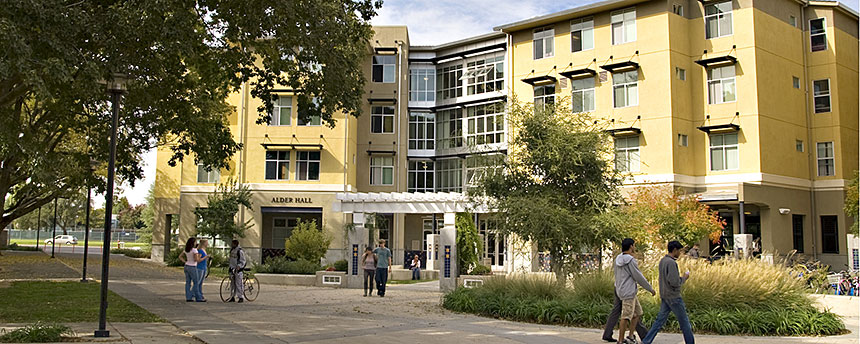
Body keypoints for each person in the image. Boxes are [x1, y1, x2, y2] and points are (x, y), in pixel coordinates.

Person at [642, 241, 694, 344]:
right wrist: (684, 278)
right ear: (674, 250)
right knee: (684, 322)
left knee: (659, 321)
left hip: (665, 295)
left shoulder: (663, 261)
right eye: (679, 251)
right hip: (673, 296)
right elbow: (674, 282)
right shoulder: (671, 263)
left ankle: (646, 341)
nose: (679, 253)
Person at [614, 238, 655, 344]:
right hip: (628, 291)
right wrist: (650, 288)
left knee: (637, 313)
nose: (635, 247)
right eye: (634, 245)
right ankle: (620, 340)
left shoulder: (618, 258)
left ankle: (631, 336)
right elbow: (638, 276)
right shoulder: (630, 260)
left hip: (622, 289)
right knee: (626, 316)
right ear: (631, 246)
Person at [178, 237, 206, 302]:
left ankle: (188, 297)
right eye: (195, 242)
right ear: (193, 243)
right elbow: (196, 259)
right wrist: (204, 257)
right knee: (196, 282)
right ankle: (198, 297)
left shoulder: (186, 249)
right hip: (193, 266)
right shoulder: (194, 250)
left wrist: (185, 261)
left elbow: (180, 256)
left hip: (187, 265)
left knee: (188, 282)